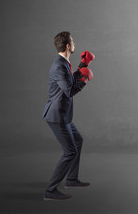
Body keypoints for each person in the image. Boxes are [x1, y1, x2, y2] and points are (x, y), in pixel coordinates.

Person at [41, 31, 95, 201]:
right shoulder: (58, 66)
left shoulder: (63, 63)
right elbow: (70, 90)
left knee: (77, 141)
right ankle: (50, 190)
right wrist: (85, 79)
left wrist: (82, 66)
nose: (74, 44)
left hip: (63, 115)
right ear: (67, 46)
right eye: (72, 41)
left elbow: (69, 80)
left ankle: (71, 179)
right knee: (70, 151)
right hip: (57, 116)